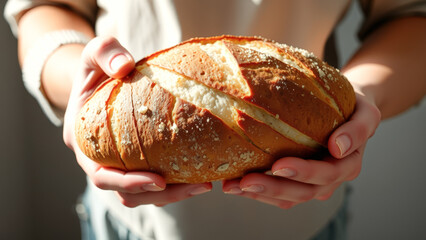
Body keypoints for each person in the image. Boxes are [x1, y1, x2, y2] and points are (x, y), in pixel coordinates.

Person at [4, 0, 426, 239]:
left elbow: (411, 15)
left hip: (306, 222)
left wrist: (359, 101)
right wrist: (80, 87)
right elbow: (45, 8)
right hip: (130, 224)